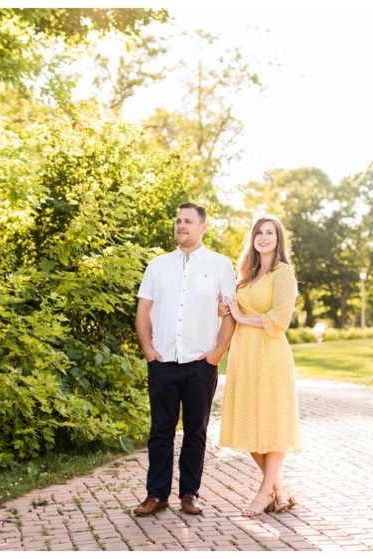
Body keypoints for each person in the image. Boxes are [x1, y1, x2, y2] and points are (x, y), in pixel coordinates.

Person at [132, 202, 237, 516]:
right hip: (162, 362)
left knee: (196, 431)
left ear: (203, 227)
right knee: (160, 430)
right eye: (178, 221)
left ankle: (190, 494)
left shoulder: (220, 265)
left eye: (188, 221)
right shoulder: (158, 265)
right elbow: (143, 310)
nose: (181, 226)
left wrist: (218, 352)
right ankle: (156, 494)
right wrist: (148, 350)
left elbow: (231, 312)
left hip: (200, 364)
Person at [219, 215, 302, 516]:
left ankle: (264, 492)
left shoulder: (283, 273)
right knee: (248, 421)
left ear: (278, 240)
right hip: (244, 355)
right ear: (252, 238)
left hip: (270, 355)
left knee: (272, 421)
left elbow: (280, 320)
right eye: (259, 232)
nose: (264, 237)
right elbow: (232, 309)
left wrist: (241, 318)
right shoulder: (247, 274)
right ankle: (279, 489)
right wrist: (226, 309)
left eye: (270, 233)